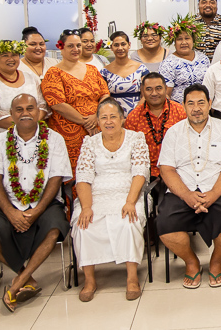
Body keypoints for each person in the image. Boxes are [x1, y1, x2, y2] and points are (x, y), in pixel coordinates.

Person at [0, 94, 73, 312]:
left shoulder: (55, 139)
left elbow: (56, 178)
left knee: (54, 228)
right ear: (11, 114)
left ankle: (17, 285)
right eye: (18, 109)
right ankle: (25, 277)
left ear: (38, 112)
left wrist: (38, 210)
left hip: (45, 203)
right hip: (9, 203)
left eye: (30, 108)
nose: (25, 113)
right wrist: (10, 212)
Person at [156, 84, 221, 289]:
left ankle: (216, 261)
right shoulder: (173, 132)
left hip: (219, 189)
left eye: (201, 103)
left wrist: (213, 194)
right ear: (184, 106)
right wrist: (186, 195)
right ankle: (191, 262)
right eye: (191, 104)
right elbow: (167, 169)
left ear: (210, 104)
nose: (196, 108)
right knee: (165, 225)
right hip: (182, 190)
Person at [71, 97, 149, 302]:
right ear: (97, 121)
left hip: (128, 191)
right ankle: (90, 280)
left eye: (113, 116)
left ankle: (132, 278)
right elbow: (83, 176)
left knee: (128, 221)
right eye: (103, 117)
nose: (108, 121)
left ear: (122, 119)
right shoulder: (90, 142)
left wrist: (130, 201)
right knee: (84, 224)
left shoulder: (136, 138)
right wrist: (86, 206)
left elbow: (140, 172)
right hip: (95, 194)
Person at [42, 29, 110, 177]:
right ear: (61, 47)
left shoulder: (92, 70)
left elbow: (105, 94)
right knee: (77, 172)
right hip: (70, 132)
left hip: (98, 126)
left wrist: (95, 116)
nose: (76, 49)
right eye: (70, 46)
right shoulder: (54, 73)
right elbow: (57, 103)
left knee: (101, 169)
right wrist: (86, 122)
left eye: (78, 45)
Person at [0, 40, 48, 137]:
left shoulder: (31, 77)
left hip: (34, 134)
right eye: (5, 55)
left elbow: (42, 105)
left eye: (14, 55)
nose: (10, 59)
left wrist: (31, 125)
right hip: (2, 137)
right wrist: (25, 126)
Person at [125, 73, 186, 179]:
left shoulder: (180, 111)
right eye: (149, 89)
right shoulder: (134, 116)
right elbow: (128, 152)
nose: (154, 93)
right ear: (143, 91)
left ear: (166, 89)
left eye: (158, 88)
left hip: (177, 171)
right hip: (144, 174)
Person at [159, 14, 211, 103]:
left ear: (193, 40)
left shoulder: (203, 59)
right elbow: (166, 95)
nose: (184, 42)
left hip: (203, 107)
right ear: (174, 42)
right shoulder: (168, 63)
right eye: (179, 39)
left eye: (187, 38)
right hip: (179, 110)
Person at [100, 31, 150, 115]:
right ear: (111, 47)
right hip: (114, 115)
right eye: (116, 45)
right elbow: (103, 97)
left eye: (123, 44)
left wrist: (134, 115)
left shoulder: (141, 69)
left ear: (129, 45)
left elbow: (146, 94)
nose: (120, 48)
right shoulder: (104, 72)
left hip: (138, 114)